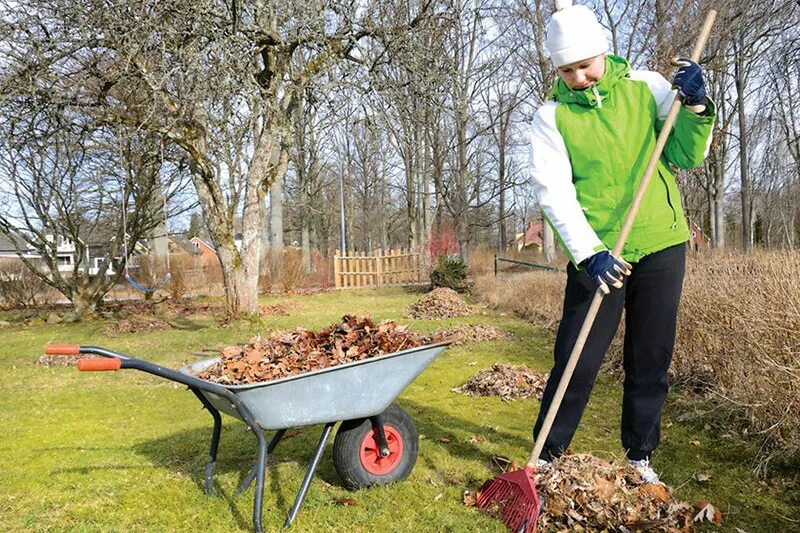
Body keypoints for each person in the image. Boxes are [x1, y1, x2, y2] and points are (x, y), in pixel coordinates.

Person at [529, 0, 715, 484]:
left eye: (585, 64)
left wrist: (696, 107)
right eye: (567, 70)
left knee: (650, 355)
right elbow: (554, 192)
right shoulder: (551, 117)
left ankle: (640, 455)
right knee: (577, 356)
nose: (580, 77)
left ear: (603, 52)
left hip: (660, 242)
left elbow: (684, 154)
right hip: (598, 252)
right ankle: (546, 456)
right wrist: (588, 252)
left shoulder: (646, 88)